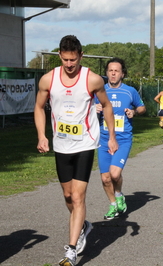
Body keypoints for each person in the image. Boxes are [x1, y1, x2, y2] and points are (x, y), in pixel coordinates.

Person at [34, 35, 118, 266]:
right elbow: (39, 107)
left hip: (85, 143)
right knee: (68, 196)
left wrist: (111, 136)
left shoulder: (91, 80)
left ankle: (71, 251)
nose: (69, 64)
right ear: (59, 55)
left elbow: (107, 106)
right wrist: (42, 135)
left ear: (81, 55)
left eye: (73, 60)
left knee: (79, 196)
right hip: (61, 145)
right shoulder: (48, 80)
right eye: (65, 59)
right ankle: (83, 225)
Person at [96, 58, 146, 220]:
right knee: (105, 178)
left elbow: (142, 107)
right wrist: (93, 109)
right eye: (110, 70)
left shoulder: (129, 91)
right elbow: (87, 109)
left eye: (116, 71)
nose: (113, 73)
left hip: (123, 139)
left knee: (115, 174)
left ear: (122, 74)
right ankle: (113, 205)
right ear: (106, 73)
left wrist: (134, 112)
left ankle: (118, 194)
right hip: (103, 139)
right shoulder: (100, 91)